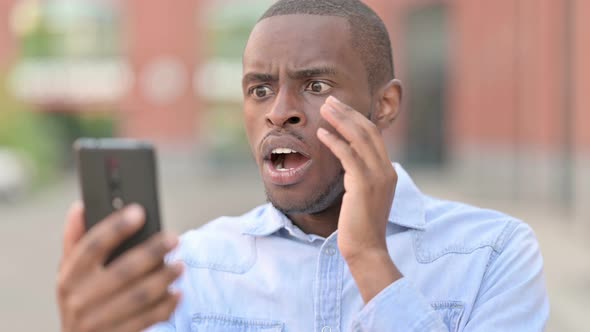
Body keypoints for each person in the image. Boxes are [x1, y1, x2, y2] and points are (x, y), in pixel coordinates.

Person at [56, 0, 549, 331]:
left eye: (316, 86)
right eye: (260, 89)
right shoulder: (190, 269)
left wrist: (370, 258)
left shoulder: (494, 254)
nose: (279, 110)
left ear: (385, 105)